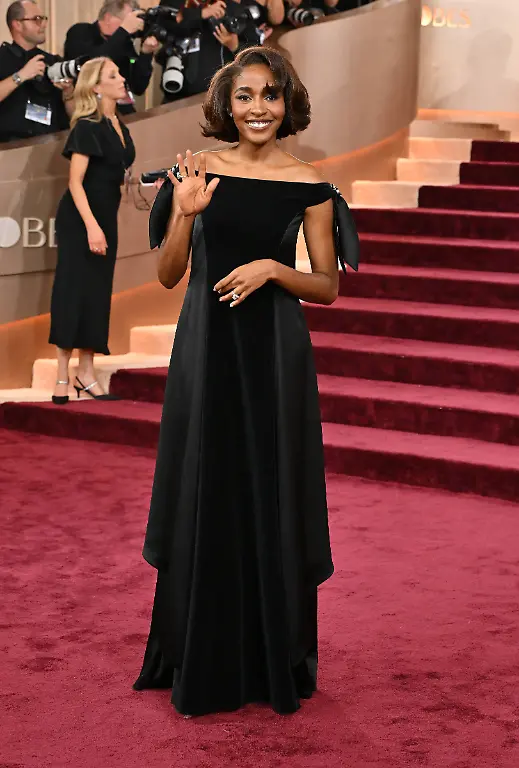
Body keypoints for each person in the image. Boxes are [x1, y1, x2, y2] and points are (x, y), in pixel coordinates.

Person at [133, 46, 359, 716]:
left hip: (274, 356)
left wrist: (272, 269)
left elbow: (326, 286)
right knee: (205, 480)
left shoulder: (310, 185)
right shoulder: (198, 171)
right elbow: (168, 277)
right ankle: (200, 651)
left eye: (270, 95)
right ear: (225, 107)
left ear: (287, 104)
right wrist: (184, 211)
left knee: (269, 484)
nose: (258, 108)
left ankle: (270, 657)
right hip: (206, 347)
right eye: (244, 96)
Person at [48, 57, 135, 404]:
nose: (122, 78)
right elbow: (75, 182)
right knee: (72, 293)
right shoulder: (87, 125)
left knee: (97, 294)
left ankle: (86, 373)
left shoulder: (119, 124)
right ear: (96, 87)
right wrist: (91, 227)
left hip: (105, 218)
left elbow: (117, 174)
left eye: (119, 73)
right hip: (81, 220)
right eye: (113, 75)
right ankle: (61, 376)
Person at [157, 0, 284, 102]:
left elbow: (255, 50)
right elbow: (163, 24)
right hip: (178, 98)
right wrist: (201, 13)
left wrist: (235, 45)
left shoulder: (230, 8)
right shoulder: (174, 4)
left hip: (222, 97)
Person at [63, 0, 160, 115]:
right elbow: (90, 64)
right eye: (128, 21)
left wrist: (146, 53)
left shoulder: (124, 43)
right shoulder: (81, 31)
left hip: (121, 113)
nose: (133, 27)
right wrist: (123, 31)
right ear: (108, 18)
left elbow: (138, 87)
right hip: (89, 111)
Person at [0, 0, 74, 143]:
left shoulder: (53, 62)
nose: (44, 25)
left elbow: (75, 116)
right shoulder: (2, 58)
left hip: (53, 144)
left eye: (44, 19)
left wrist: (68, 92)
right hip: (10, 147)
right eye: (37, 19)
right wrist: (21, 76)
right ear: (17, 24)